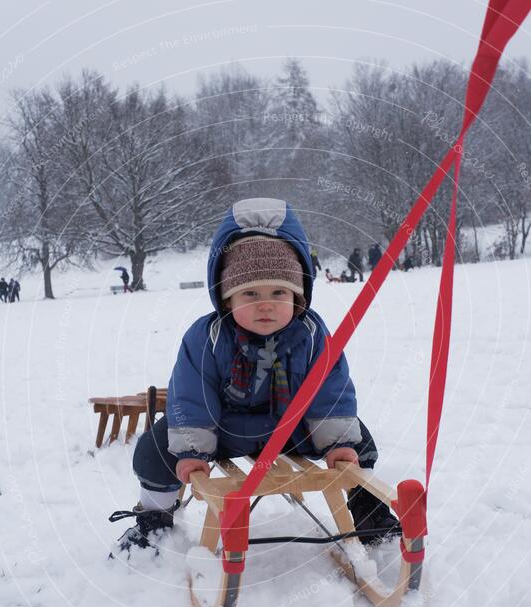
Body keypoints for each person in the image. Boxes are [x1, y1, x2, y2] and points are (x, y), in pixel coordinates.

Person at [111, 198, 400, 555]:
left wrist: (338, 442)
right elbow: (192, 395)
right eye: (250, 294)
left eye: (278, 292)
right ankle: (153, 522)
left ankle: (367, 510)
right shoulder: (208, 337)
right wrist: (191, 449)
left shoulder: (311, 334)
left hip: (293, 429)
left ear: (298, 296)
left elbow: (331, 391)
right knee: (154, 448)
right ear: (227, 299)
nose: (266, 304)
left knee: (358, 439)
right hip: (224, 431)